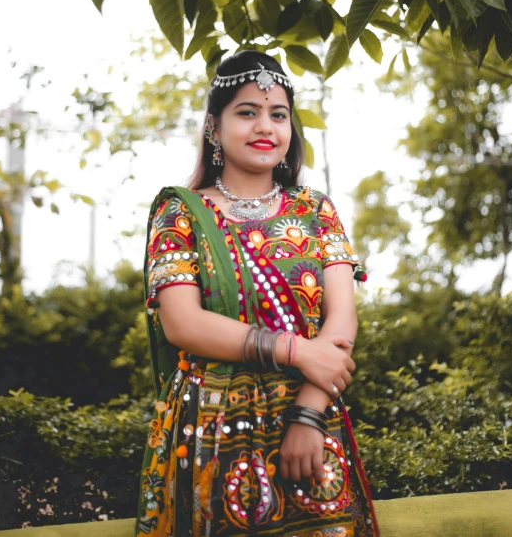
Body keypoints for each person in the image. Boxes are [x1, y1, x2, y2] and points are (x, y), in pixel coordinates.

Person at [135, 50, 380, 537]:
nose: (265, 126)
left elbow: (341, 324)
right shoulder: (180, 213)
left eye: (278, 114)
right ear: (214, 127)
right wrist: (297, 350)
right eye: (247, 112)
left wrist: (309, 415)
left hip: (311, 425)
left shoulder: (315, 210)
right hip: (209, 431)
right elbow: (184, 324)